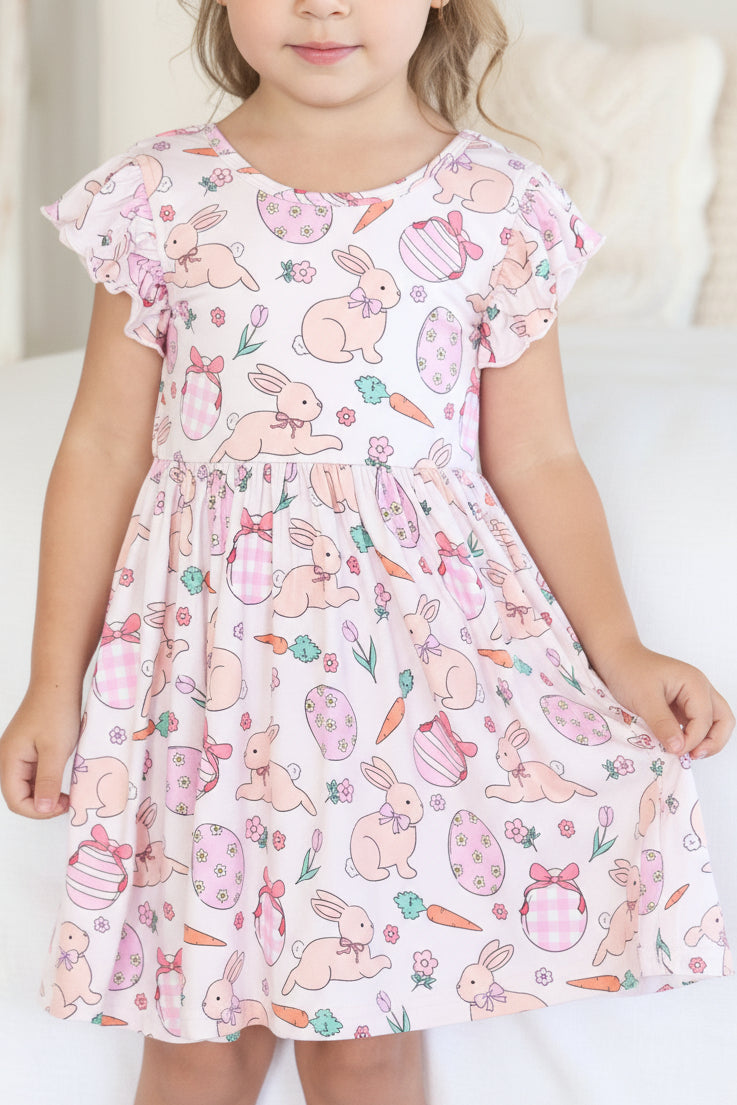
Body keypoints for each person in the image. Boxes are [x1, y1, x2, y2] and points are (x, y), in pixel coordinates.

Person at [1, 1, 734, 1103]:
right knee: (196, 1033)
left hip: (396, 673)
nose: (322, 5)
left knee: (365, 1039)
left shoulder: (493, 202)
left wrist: (619, 650)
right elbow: (104, 443)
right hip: (206, 674)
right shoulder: (160, 193)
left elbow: (536, 456)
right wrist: (49, 686)